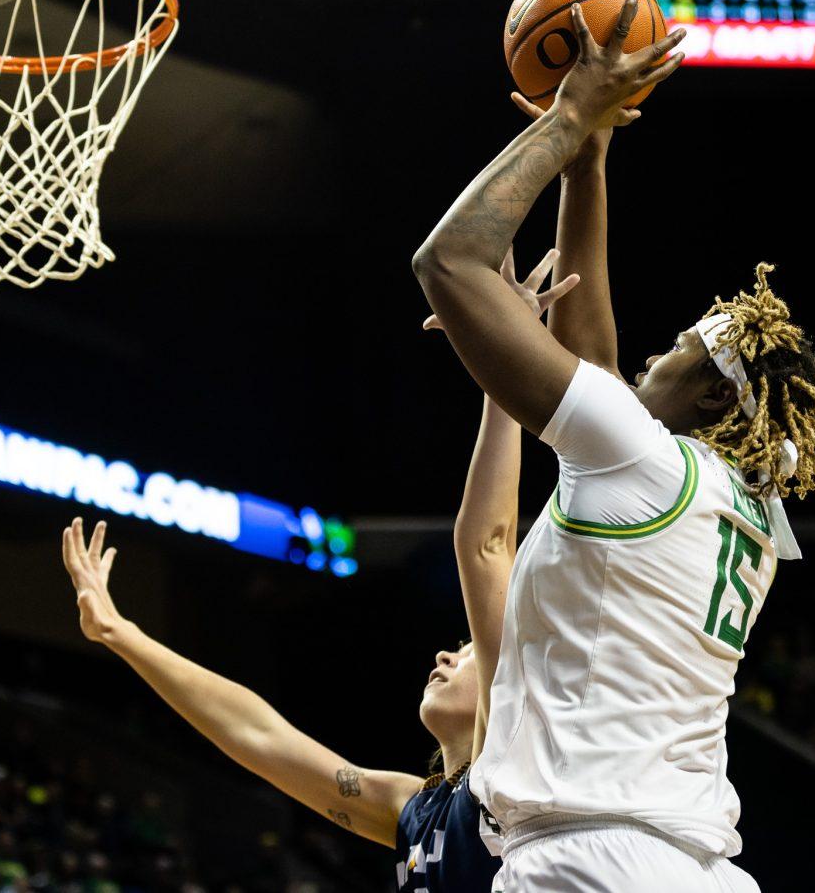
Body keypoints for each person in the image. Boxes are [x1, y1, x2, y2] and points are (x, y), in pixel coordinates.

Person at [412, 0, 815, 893]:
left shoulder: (645, 462)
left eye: (677, 350)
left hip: (592, 860)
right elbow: (594, 357)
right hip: (693, 864)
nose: (648, 354)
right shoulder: (739, 501)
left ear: (706, 395)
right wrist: (589, 159)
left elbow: (449, 260)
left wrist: (573, 115)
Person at [61, 252, 578, 892]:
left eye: (470, 649)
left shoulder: (514, 763)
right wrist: (119, 634)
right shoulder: (409, 809)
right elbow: (257, 734)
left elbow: (487, 544)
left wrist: (503, 361)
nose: (446, 653)